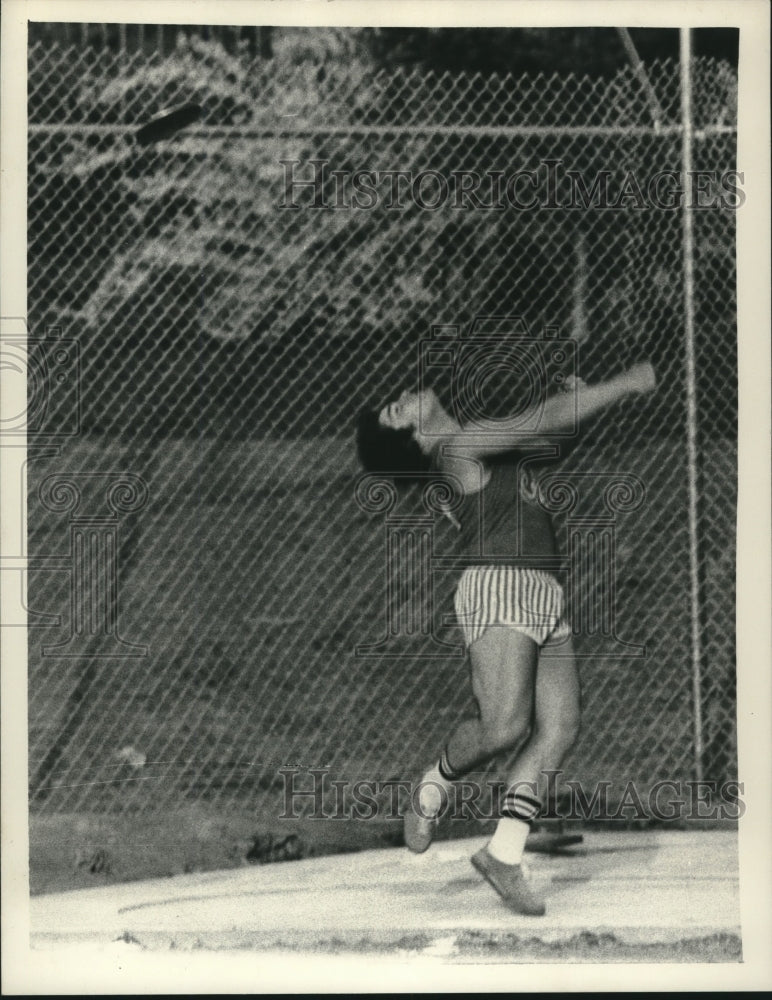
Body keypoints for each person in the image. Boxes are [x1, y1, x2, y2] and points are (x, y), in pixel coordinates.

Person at [356, 360, 657, 916]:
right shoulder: (458, 448)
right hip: (499, 583)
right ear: (414, 440)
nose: (402, 394)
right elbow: (544, 417)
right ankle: (431, 788)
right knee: (504, 727)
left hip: (543, 586)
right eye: (396, 411)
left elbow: (543, 444)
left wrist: (577, 405)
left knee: (560, 726)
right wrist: (624, 384)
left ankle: (504, 852)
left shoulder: (472, 444)